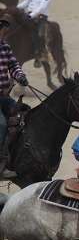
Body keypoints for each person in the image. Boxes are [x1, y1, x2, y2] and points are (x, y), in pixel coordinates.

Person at [0, 16, 29, 178]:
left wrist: (20, 76)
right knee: (2, 124)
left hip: (4, 96)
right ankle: (1, 164)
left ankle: (17, 157)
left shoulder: (5, 47)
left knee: (25, 114)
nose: (3, 34)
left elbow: (13, 65)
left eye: (3, 31)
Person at [17, 0, 51, 66]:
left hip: (40, 17)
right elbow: (26, 2)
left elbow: (42, 8)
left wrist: (31, 15)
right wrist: (15, 8)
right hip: (29, 14)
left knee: (39, 35)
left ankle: (40, 54)